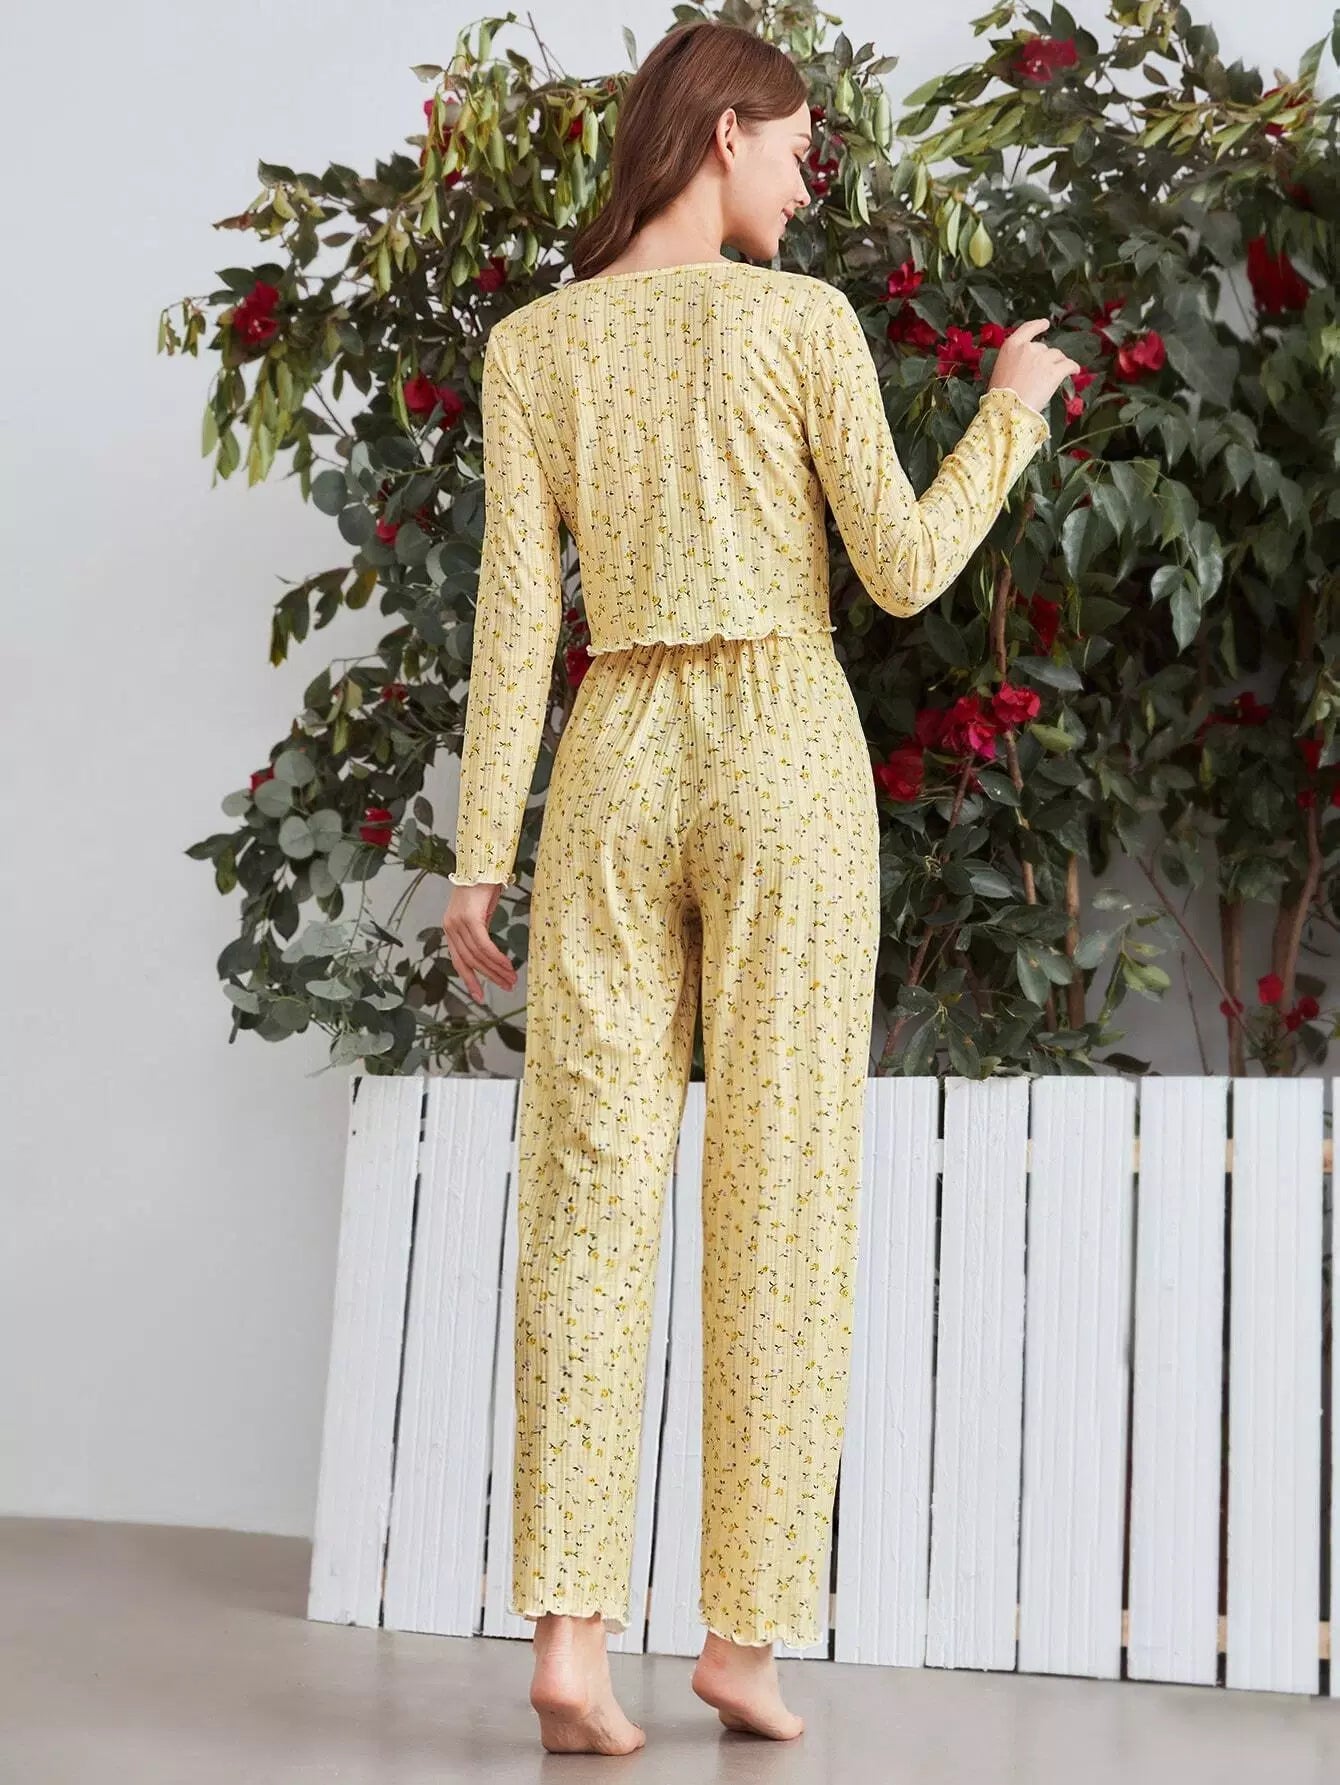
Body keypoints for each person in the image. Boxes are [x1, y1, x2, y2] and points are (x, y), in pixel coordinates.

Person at [441, 18, 1081, 1758]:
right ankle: (739, 1642)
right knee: (781, 1184)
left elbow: (518, 623)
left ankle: (571, 1640)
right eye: (801, 150)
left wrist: (481, 850)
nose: (810, 185)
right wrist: (1009, 418)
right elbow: (904, 567)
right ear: (725, 133)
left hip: (615, 748)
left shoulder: (534, 344)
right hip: (781, 747)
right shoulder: (798, 322)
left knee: (590, 1189)